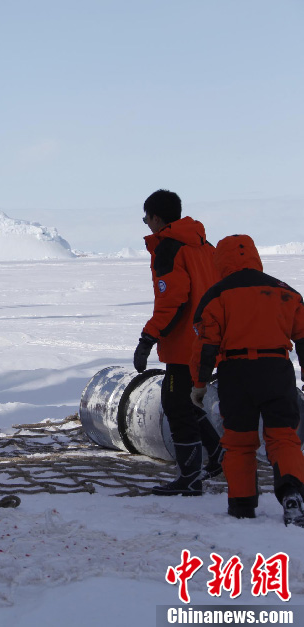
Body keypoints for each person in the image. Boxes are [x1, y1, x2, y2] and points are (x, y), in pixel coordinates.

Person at [190, 234, 304, 525]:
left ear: (221, 261)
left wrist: (200, 384)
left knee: (239, 442)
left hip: (236, 374)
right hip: (277, 370)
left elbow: (206, 346)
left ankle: (241, 505)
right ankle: (293, 494)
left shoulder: (215, 296)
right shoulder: (287, 293)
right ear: (255, 257)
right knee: (283, 437)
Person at [133, 190, 222, 496]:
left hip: (186, 344)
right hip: (208, 341)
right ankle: (218, 453)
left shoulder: (169, 248)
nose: (145, 223)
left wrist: (148, 337)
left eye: (146, 217)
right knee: (187, 401)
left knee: (176, 405)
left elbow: (172, 301)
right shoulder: (204, 246)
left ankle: (190, 478)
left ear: (156, 217)